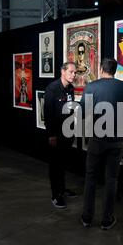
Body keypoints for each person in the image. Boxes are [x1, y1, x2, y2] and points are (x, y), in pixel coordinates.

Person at [80, 58, 123, 230]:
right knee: (111, 180)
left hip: (97, 139)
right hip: (116, 140)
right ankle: (107, 220)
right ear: (115, 70)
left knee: (91, 178)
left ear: (101, 69)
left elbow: (82, 112)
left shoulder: (92, 87)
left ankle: (87, 218)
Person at [44, 62, 78, 209]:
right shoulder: (52, 88)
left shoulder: (70, 88)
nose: (73, 75)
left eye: (75, 72)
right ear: (62, 71)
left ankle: (62, 189)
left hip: (67, 133)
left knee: (63, 162)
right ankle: (55, 195)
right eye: (71, 72)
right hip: (56, 134)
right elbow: (48, 112)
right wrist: (51, 135)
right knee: (55, 165)